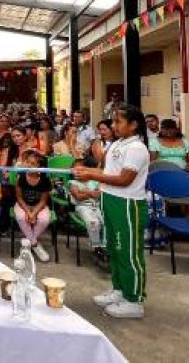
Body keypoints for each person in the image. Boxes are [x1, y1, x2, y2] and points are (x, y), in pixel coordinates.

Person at [73, 105, 150, 319]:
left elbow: (125, 179)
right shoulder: (118, 143)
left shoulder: (136, 148)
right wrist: (87, 170)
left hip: (127, 204)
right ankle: (119, 290)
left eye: (118, 122)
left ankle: (134, 300)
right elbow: (107, 172)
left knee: (128, 253)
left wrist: (92, 176)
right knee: (115, 249)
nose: (113, 126)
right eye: (113, 122)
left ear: (133, 125)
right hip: (110, 200)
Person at [13, 151, 52, 261]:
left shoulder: (45, 180)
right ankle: (35, 244)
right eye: (28, 162)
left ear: (40, 167)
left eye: (33, 163)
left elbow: (43, 201)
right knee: (21, 218)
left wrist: (34, 212)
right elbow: (19, 198)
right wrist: (28, 212)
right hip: (23, 205)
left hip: (38, 206)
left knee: (44, 219)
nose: (29, 165)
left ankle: (27, 244)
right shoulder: (21, 177)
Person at [69, 159, 105, 261]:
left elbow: (99, 193)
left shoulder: (94, 182)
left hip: (96, 206)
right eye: (76, 170)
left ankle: (106, 246)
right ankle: (96, 247)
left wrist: (86, 192)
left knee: (105, 221)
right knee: (93, 222)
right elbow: (77, 196)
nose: (78, 172)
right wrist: (90, 193)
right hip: (82, 207)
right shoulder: (73, 183)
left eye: (81, 170)